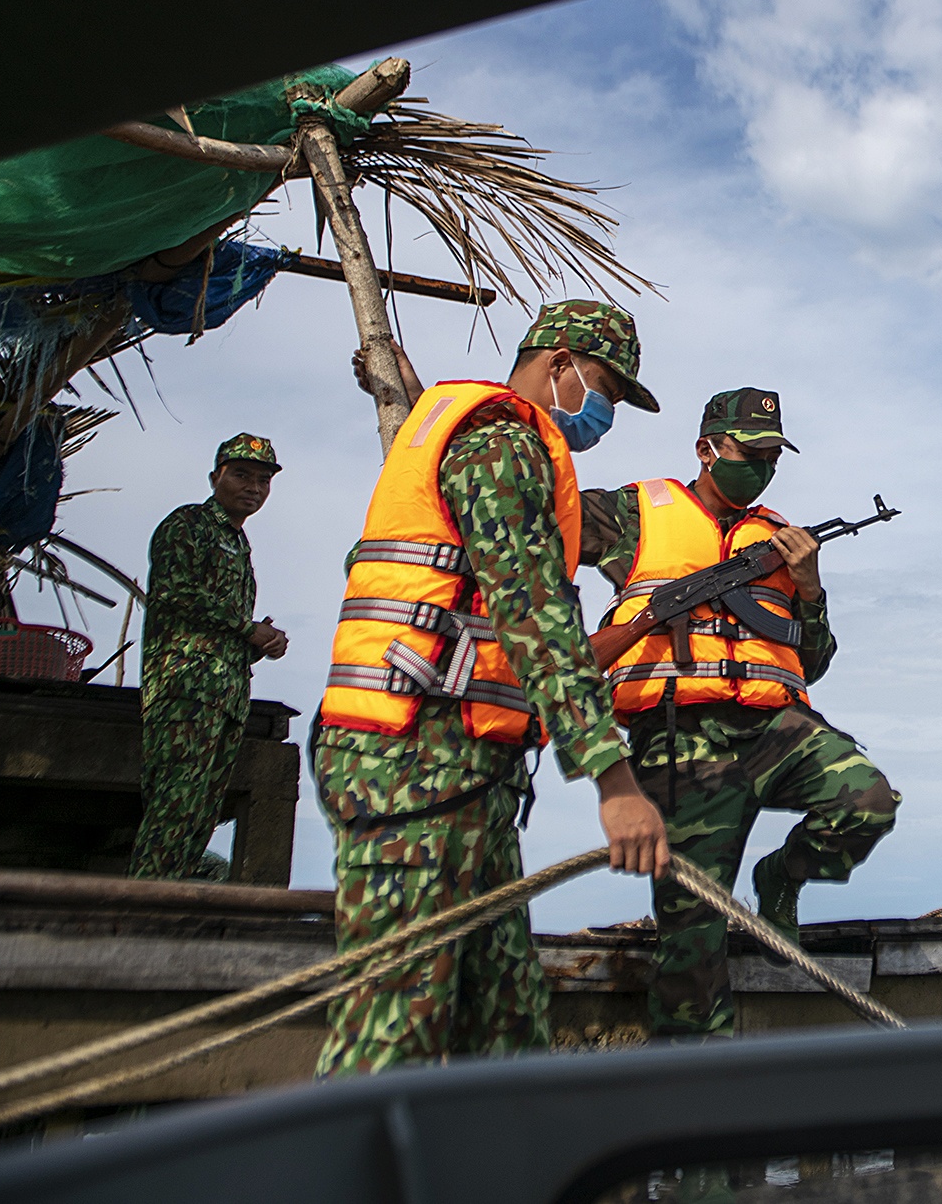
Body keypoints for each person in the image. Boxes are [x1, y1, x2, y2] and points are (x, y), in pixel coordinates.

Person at [314, 301, 671, 1076]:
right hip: (413, 767)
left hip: (473, 777)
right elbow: (532, 607)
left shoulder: (471, 431)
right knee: (394, 1028)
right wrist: (613, 779)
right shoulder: (500, 440)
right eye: (604, 387)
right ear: (559, 363)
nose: (605, 411)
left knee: (506, 1024)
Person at [583, 388, 900, 1040]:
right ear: (707, 449)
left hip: (774, 731)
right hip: (680, 741)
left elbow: (812, 661)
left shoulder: (781, 541)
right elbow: (535, 521)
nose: (762, 468)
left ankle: (780, 875)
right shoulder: (635, 512)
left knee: (867, 801)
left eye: (772, 458)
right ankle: (696, 1081)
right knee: (692, 940)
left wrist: (810, 588)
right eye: (750, 453)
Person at [129, 434, 288, 881]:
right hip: (185, 692)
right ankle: (139, 907)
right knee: (172, 809)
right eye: (241, 475)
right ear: (215, 477)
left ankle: (170, 906)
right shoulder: (188, 524)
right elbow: (173, 593)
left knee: (201, 815)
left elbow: (219, 629)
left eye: (263, 480)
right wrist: (246, 628)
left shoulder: (239, 544)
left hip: (227, 698)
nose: (253, 487)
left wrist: (261, 644)